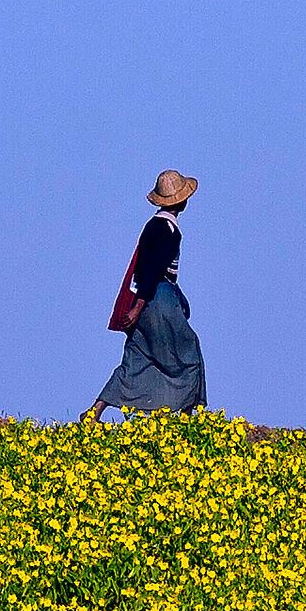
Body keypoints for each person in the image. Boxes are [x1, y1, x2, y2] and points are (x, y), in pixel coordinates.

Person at [86, 170, 206, 423]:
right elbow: (153, 271)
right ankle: (186, 416)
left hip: (145, 295)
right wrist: (139, 307)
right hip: (157, 298)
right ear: (181, 201)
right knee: (189, 354)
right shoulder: (170, 232)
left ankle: (95, 411)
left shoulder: (152, 225)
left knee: (138, 355)